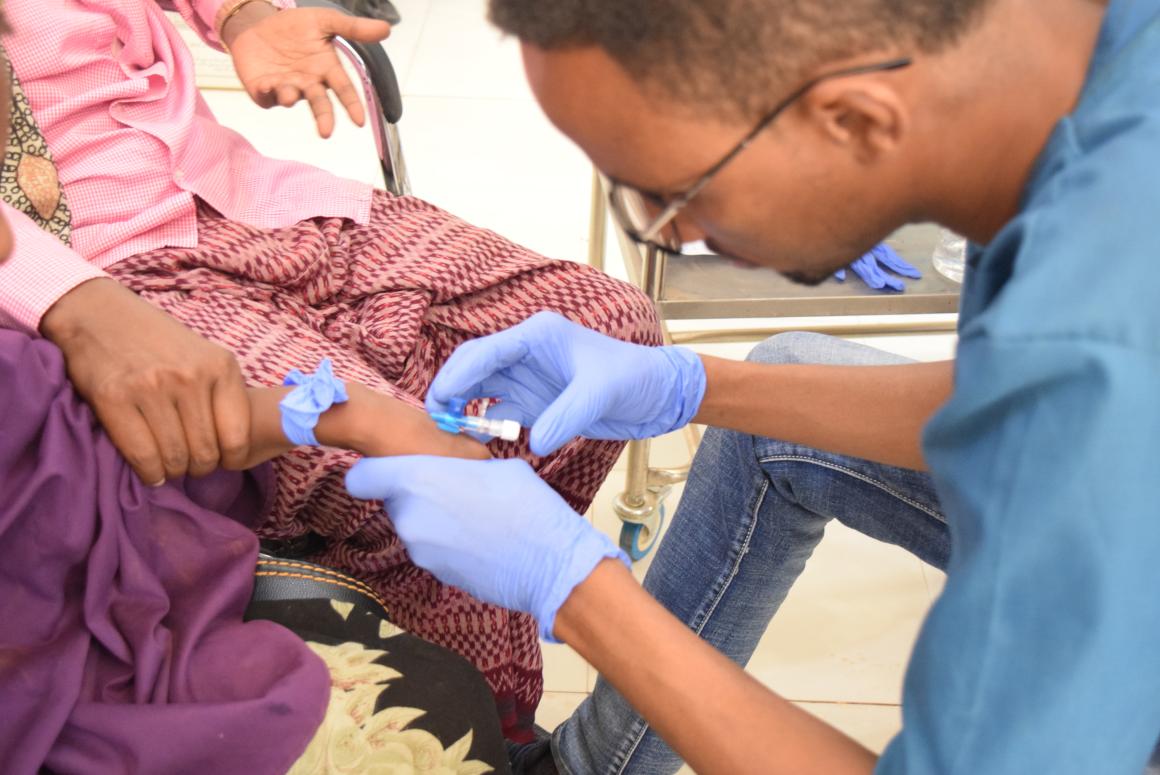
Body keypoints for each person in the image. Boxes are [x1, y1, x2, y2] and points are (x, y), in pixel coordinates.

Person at [341, 0, 1160, 773]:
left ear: (856, 119)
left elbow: (1070, 407)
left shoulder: (1100, 336)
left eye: (670, 194)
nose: (671, 235)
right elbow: (1010, 401)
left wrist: (581, 594)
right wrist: (688, 386)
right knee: (782, 385)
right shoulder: (1074, 64)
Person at [0, 0, 665, 740]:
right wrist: (66, 299)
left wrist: (240, 15)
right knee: (421, 480)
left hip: (236, 198)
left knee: (611, 328)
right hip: (102, 284)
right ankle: (490, 724)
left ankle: (462, 629)